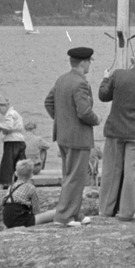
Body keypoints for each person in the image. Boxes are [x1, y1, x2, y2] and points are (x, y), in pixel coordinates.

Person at [97, 45, 135, 222]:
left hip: (115, 129)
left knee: (110, 171)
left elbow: (104, 96)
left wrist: (105, 79)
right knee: (132, 174)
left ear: (134, 58)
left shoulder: (118, 75)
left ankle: (105, 210)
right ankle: (126, 212)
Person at [44, 46, 100, 227]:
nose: (90, 65)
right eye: (89, 61)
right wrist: (97, 119)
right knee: (75, 177)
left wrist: (61, 121)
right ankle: (64, 216)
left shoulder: (62, 79)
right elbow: (84, 112)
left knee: (70, 175)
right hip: (77, 137)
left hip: (63, 135)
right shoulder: (80, 83)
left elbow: (48, 102)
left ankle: (75, 213)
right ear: (83, 63)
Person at [0, 94, 27, 192]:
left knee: (7, 164)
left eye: (0, 107)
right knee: (19, 164)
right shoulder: (16, 113)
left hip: (11, 142)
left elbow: (9, 126)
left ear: (5, 105)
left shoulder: (9, 114)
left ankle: (1, 187)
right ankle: (20, 184)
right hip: (20, 141)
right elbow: (17, 127)